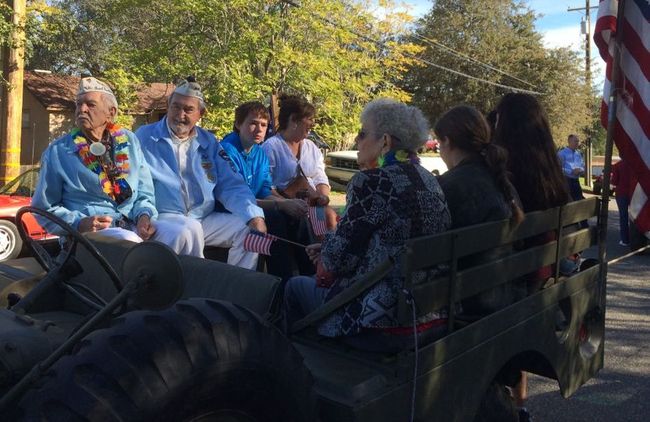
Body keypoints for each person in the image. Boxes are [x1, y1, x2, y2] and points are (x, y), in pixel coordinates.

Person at [283, 98, 451, 351]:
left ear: (385, 141)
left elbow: (338, 261)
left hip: (382, 322)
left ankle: (300, 367)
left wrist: (325, 250)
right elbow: (389, 243)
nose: (357, 142)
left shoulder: (371, 182)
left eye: (362, 134)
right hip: (431, 313)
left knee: (294, 286)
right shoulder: (429, 179)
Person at [492, 93, 571, 421]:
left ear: (506, 126)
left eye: (496, 119)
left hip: (514, 284)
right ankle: (521, 407)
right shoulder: (551, 171)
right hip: (544, 275)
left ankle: (508, 405)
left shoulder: (505, 175)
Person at [135, 79, 266, 269]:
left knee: (249, 229)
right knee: (189, 229)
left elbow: (232, 185)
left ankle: (235, 290)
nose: (180, 115)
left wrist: (254, 217)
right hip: (162, 217)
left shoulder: (209, 142)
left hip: (202, 218)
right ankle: (195, 289)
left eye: (188, 110)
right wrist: (142, 214)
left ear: (200, 114)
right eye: (175, 107)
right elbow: (134, 182)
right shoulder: (144, 137)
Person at [32, 76, 156, 243]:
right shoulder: (58, 151)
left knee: (181, 232)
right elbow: (43, 208)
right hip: (87, 237)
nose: (82, 109)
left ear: (110, 113)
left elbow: (144, 191)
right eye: (79, 104)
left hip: (132, 223)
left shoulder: (129, 140)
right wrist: (79, 223)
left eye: (90, 104)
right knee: (129, 241)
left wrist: (144, 215)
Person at [434, 105, 524, 313]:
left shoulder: (450, 186)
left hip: (470, 302)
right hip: (506, 292)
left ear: (447, 141)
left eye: (439, 143)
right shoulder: (502, 182)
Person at [220, 101, 312, 279]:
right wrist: (280, 205)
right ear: (239, 124)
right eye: (253, 123)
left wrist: (287, 203)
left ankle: (309, 277)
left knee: (297, 214)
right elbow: (235, 197)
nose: (259, 129)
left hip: (253, 205)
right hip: (230, 209)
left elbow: (264, 191)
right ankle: (281, 282)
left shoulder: (259, 153)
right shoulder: (227, 150)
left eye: (263, 125)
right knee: (275, 217)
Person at [260, 94, 337, 231]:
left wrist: (322, 197)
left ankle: (323, 251)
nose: (313, 124)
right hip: (285, 208)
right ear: (294, 120)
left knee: (330, 219)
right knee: (320, 222)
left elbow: (320, 176)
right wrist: (287, 204)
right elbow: (266, 186)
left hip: (313, 205)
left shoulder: (311, 147)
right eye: (309, 119)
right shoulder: (271, 147)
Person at [612, 159, 637, 247]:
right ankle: (635, 238)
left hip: (621, 193)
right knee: (635, 216)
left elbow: (614, 181)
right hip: (633, 193)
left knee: (623, 216)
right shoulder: (635, 165)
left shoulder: (617, 166)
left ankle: (625, 239)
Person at [558, 134, 586, 202]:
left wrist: (581, 170)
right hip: (566, 182)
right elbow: (558, 169)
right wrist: (571, 171)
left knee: (578, 201)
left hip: (576, 181)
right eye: (575, 141)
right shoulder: (561, 153)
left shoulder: (578, 154)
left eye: (578, 141)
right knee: (568, 202)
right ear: (569, 141)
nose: (577, 143)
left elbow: (583, 166)